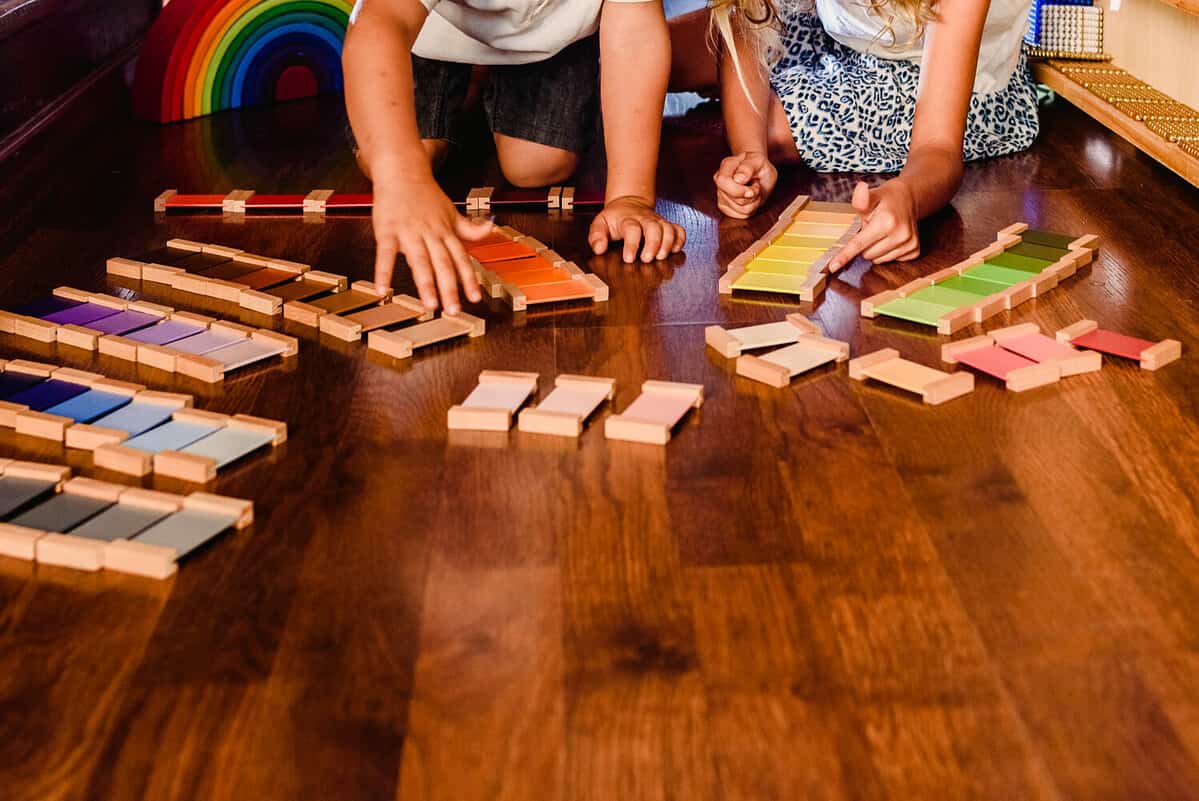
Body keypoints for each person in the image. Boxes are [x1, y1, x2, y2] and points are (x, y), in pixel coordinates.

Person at [343, 0, 687, 313]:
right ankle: (467, 83)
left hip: (549, 35)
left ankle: (488, 84)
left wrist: (630, 196)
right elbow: (378, 24)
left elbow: (635, 30)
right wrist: (401, 174)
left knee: (537, 167)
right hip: (427, 30)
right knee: (396, 154)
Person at [671, 0, 1038, 268]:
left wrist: (908, 194)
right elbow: (744, 18)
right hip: (847, 38)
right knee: (655, 52)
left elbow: (937, 146)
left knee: (780, 130)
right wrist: (750, 152)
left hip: (950, 78)